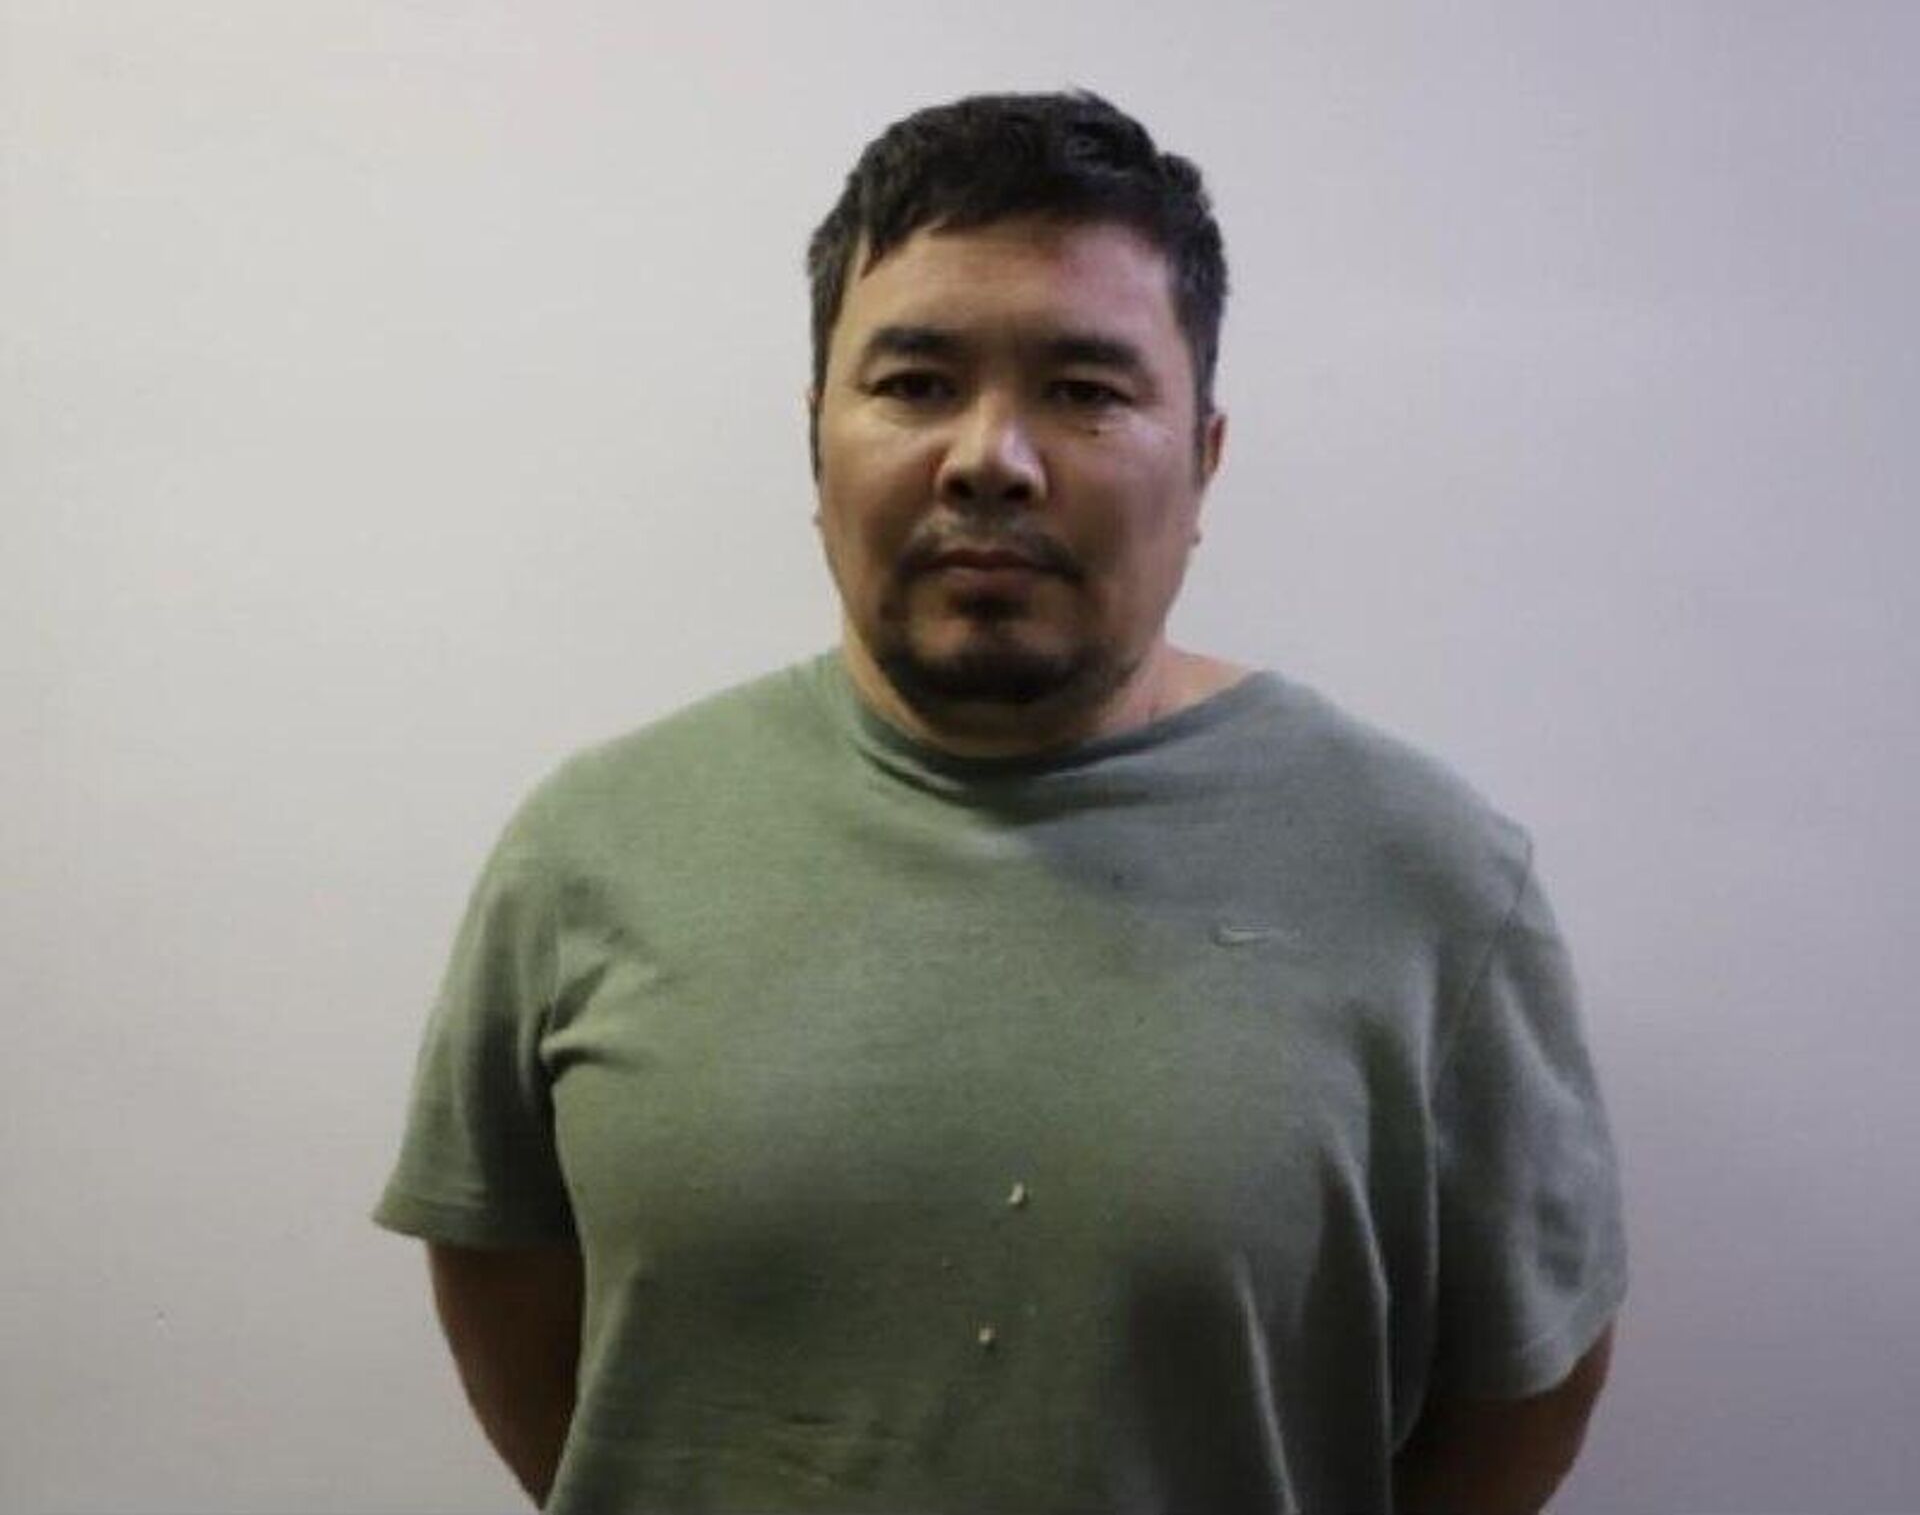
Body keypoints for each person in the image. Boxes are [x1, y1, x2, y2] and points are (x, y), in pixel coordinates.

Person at [373, 90, 1628, 1514]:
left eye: (1086, 390)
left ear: (1204, 458)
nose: (991, 457)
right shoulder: (592, 848)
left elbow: (1525, 1386)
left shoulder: (1429, 879)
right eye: (915, 383)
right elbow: (507, 1284)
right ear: (815, 440)